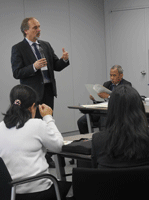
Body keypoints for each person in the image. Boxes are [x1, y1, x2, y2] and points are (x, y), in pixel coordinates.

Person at [11, 17, 70, 167]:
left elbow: (55, 65)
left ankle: (49, 155)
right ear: (26, 30)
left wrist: (63, 60)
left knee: (47, 122)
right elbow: (17, 72)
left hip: (48, 90)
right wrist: (34, 67)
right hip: (32, 94)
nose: (39, 30)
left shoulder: (45, 45)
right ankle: (38, 155)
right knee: (34, 124)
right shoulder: (18, 48)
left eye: (39, 26)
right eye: (35, 27)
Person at [0, 85, 71, 200]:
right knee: (73, 187)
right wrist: (48, 117)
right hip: (38, 192)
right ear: (33, 107)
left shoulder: (0, 128)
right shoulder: (36, 125)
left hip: (10, 194)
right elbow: (59, 146)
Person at [91, 85, 149, 168]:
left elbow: (95, 166)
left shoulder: (98, 140)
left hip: (109, 181)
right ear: (140, 108)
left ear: (111, 109)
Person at [77, 65, 132, 134]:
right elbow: (100, 100)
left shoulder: (126, 85)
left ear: (121, 75)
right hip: (101, 110)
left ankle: (104, 141)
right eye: (110, 75)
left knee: (104, 121)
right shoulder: (107, 84)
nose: (111, 78)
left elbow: (124, 100)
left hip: (115, 112)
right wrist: (94, 98)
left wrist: (108, 96)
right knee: (81, 121)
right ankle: (86, 141)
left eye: (114, 75)